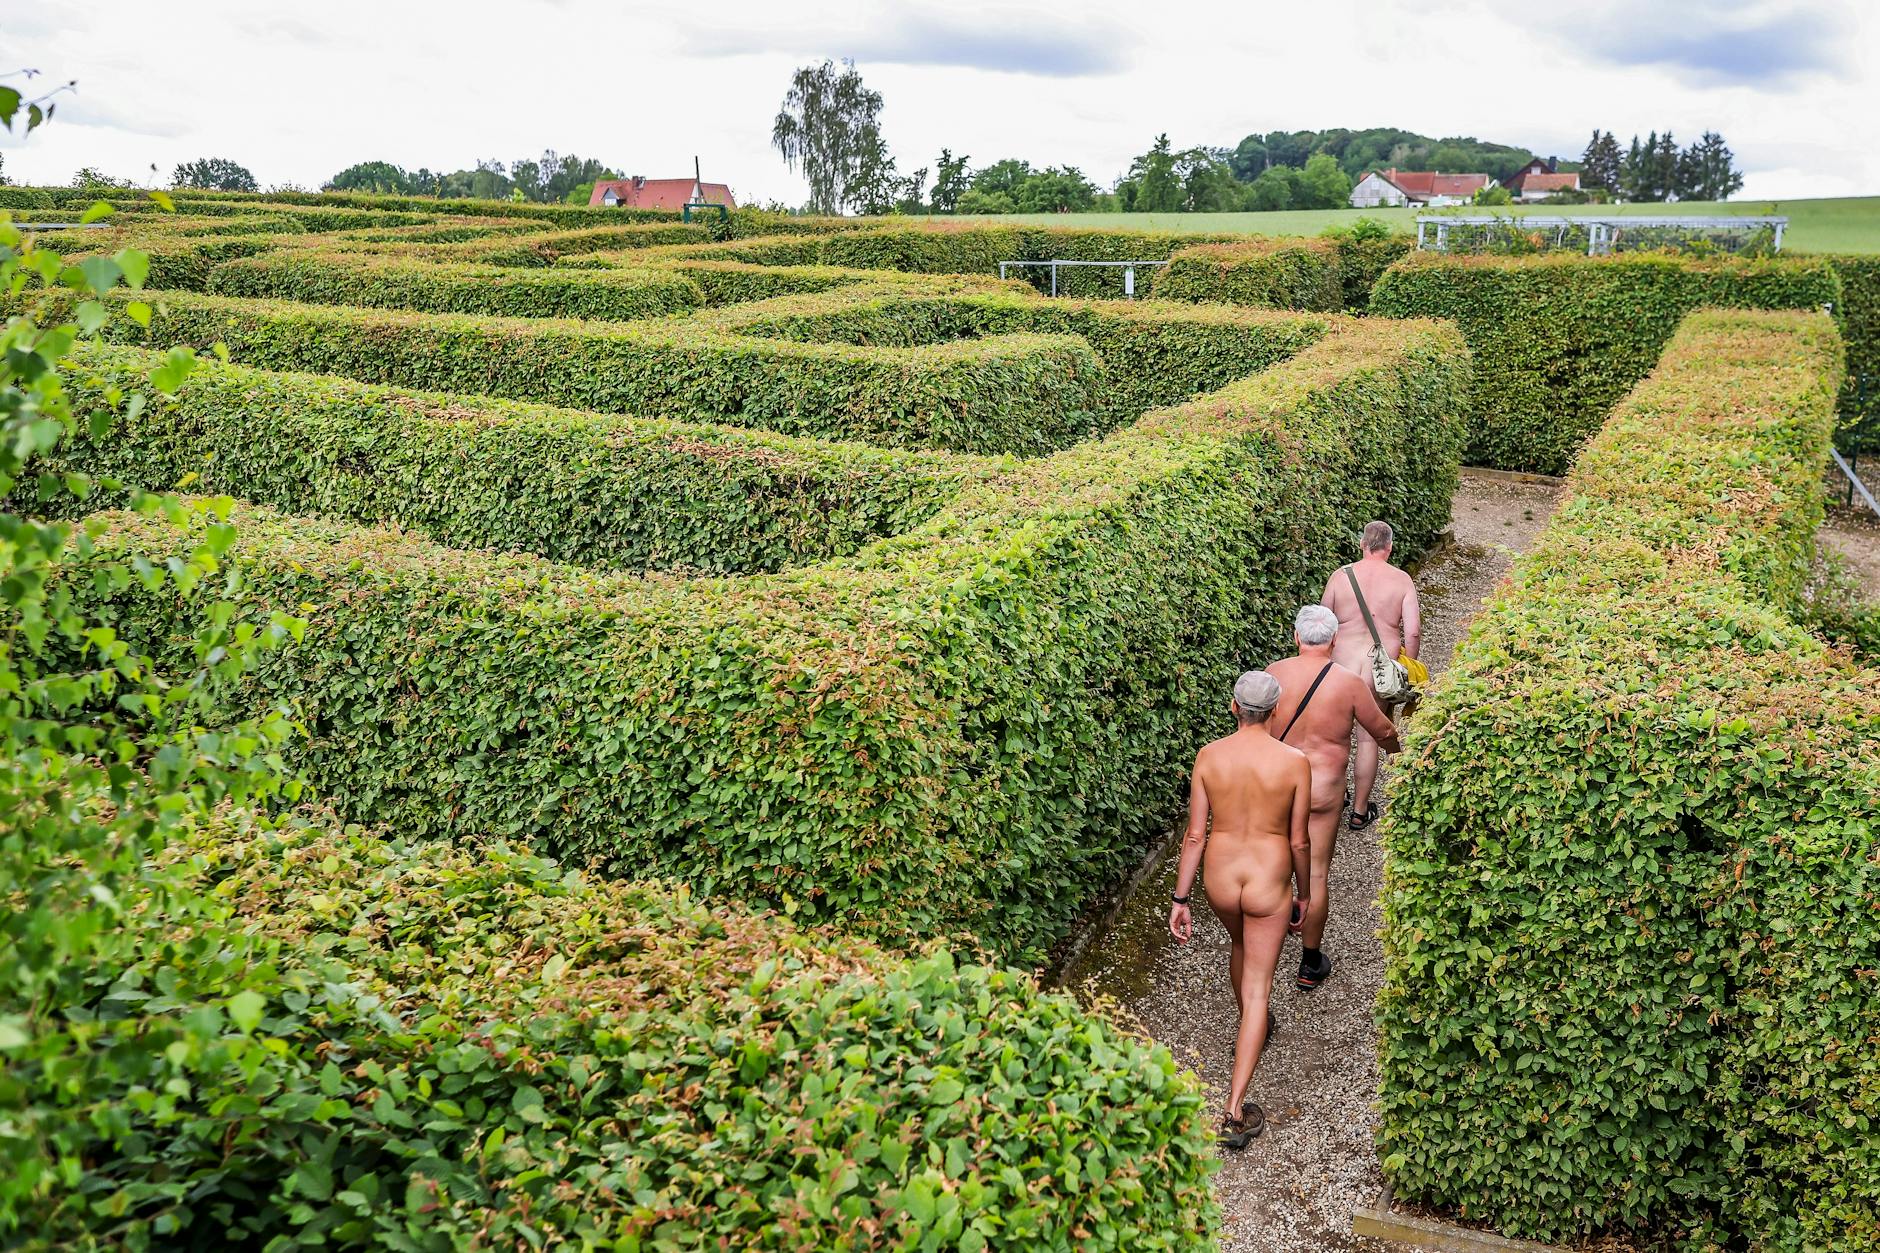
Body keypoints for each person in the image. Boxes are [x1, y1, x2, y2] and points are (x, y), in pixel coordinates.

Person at [1168, 671, 1311, 1149]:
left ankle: (1252, 1024)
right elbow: (1299, 840)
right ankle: (1234, 1110)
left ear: (1234, 707)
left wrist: (1180, 899)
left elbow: (1195, 835)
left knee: (1239, 942)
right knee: (1258, 988)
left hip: (1221, 878)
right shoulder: (1294, 762)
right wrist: (1304, 893)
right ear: (1276, 711)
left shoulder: (1209, 755)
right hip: (1268, 879)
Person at [1265, 605, 1401, 992]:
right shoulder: (1348, 683)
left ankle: (1267, 944)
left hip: (1278, 784)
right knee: (1316, 873)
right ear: (1334, 640)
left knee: (1276, 867)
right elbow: (1382, 731)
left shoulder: (1273, 674)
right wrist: (1401, 753)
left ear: (1296, 637)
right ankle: (1310, 963)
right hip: (1322, 790)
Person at [1320, 520, 1420, 830]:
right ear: (1389, 547)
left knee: (1336, 735)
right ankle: (1360, 812)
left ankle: (1336, 796)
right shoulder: (1402, 580)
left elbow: (1323, 623)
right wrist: (1406, 667)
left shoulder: (1340, 576)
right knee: (1367, 739)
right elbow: (1412, 632)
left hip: (1341, 665)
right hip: (1379, 668)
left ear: (1362, 544)